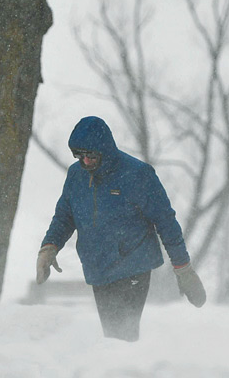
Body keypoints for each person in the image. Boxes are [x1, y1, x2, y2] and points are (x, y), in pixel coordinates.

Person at [36, 116, 206, 341]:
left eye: (91, 156)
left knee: (122, 333)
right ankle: (121, 371)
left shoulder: (137, 174)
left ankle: (125, 371)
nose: (85, 161)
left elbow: (166, 222)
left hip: (133, 266)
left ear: (104, 150)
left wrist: (183, 268)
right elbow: (64, 216)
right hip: (98, 267)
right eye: (80, 156)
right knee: (112, 336)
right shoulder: (76, 176)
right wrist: (49, 246)